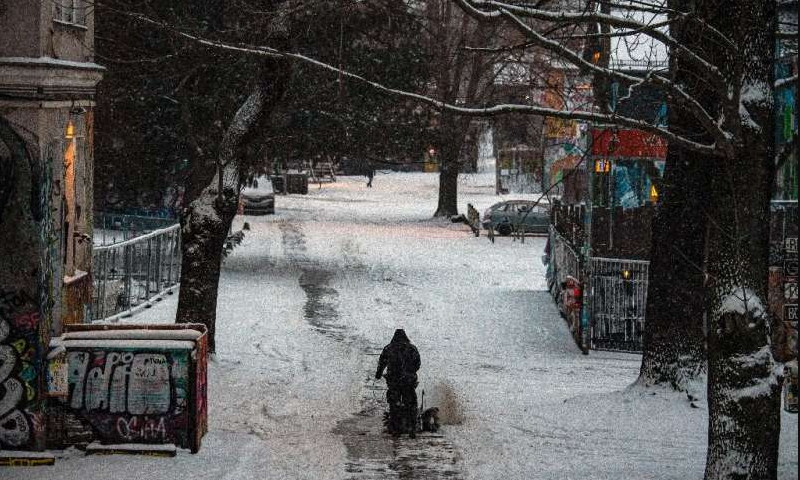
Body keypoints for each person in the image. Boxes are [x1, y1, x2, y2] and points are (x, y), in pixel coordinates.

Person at [375, 329, 421, 437]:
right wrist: (410, 372)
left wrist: (378, 374)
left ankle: (396, 430)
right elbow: (418, 363)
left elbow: (382, 362)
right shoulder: (412, 348)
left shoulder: (389, 348)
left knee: (393, 404)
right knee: (411, 404)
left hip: (394, 381)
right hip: (409, 382)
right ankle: (412, 428)